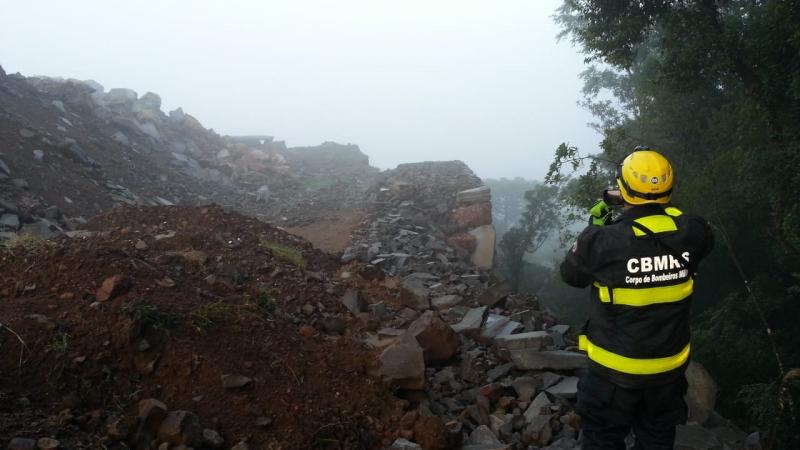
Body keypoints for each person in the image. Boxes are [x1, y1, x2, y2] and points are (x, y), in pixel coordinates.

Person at [560, 147, 715, 449]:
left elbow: (572, 275)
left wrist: (600, 223)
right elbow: (685, 227)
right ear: (670, 188)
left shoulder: (602, 240)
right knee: (657, 439)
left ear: (623, 188)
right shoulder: (694, 233)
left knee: (603, 439)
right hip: (667, 374)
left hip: (613, 376)